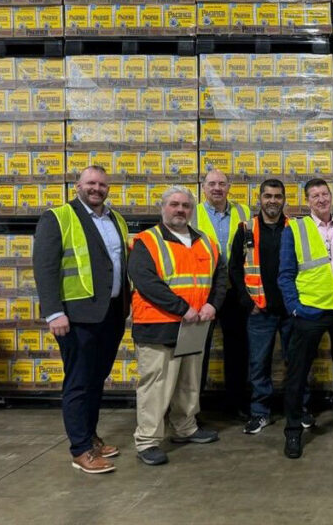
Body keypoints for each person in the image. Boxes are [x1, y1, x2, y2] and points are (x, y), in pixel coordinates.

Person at [33, 165, 131, 474]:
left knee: (96, 378)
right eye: (91, 183)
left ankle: (90, 436)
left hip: (112, 312)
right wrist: (53, 311)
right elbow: (44, 268)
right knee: (78, 381)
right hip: (76, 316)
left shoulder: (116, 220)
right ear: (78, 185)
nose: (96, 188)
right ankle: (80, 450)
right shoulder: (58, 217)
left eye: (102, 184)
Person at [129, 186, 227, 466]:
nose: (180, 210)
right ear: (163, 208)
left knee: (189, 381)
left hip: (196, 323)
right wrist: (182, 308)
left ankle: (185, 427)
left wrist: (213, 305)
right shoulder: (147, 241)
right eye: (174, 204)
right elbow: (146, 281)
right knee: (156, 385)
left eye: (185, 205)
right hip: (159, 324)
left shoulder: (207, 242)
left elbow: (220, 278)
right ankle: (147, 440)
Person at [279, 178, 333, 459]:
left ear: (332, 196)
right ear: (307, 201)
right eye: (315, 196)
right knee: (297, 374)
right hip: (310, 312)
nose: (321, 199)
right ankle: (293, 431)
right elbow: (285, 274)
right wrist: (295, 308)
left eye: (325, 194)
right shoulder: (295, 229)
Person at [228, 179, 312, 434]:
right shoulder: (245, 230)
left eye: (277, 196)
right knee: (258, 364)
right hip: (260, 311)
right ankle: (260, 412)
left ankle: (299, 410)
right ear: (260, 198)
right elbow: (234, 268)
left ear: (284, 199)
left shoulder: (296, 229)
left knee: (296, 362)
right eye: (268, 196)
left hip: (290, 310)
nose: (272, 201)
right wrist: (247, 301)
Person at [192, 169, 250, 416]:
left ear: (229, 187)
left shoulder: (243, 211)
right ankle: (192, 410)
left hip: (234, 290)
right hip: (202, 292)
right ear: (203, 187)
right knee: (196, 353)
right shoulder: (192, 212)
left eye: (222, 184)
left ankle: (237, 403)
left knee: (237, 350)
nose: (217, 188)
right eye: (212, 183)